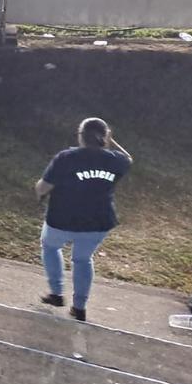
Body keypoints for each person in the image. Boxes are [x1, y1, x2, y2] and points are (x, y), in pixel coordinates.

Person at [35, 118, 133, 322]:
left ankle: (56, 293)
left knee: (50, 246)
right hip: (98, 221)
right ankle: (79, 307)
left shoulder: (67, 158)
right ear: (105, 138)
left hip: (62, 218)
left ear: (80, 136)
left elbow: (43, 187)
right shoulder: (116, 160)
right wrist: (110, 141)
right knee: (82, 259)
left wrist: (38, 193)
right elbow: (128, 158)